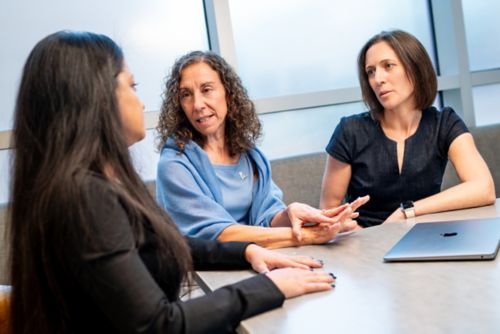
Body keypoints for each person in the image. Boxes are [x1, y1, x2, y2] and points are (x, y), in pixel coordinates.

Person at [8, 31, 339, 334]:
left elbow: (167, 243)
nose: (140, 102)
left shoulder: (90, 186)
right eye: (132, 87)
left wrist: (248, 251)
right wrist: (273, 287)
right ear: (96, 98)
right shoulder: (87, 198)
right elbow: (159, 325)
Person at [156, 51, 369, 249]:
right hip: (209, 271)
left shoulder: (250, 156)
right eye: (186, 95)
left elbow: (267, 217)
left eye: (207, 90)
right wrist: (308, 236)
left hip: (262, 257)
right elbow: (216, 235)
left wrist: (291, 213)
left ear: (228, 95)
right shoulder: (174, 165)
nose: (197, 104)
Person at [320, 30, 496, 228]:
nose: (378, 79)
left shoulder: (444, 123)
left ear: (415, 68)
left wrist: (407, 212)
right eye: (371, 71)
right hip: (363, 242)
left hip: (425, 237)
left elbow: (483, 188)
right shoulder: (349, 130)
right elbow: (328, 212)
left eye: (388, 66)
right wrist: (359, 234)